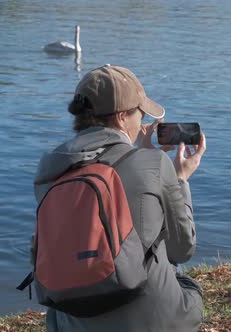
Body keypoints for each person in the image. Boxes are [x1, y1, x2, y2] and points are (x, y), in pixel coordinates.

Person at [33, 64, 206, 332]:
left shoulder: (48, 169)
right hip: (150, 321)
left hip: (72, 321)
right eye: (140, 113)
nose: (143, 121)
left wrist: (137, 151)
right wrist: (179, 179)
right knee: (188, 286)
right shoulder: (155, 164)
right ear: (123, 116)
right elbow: (181, 249)